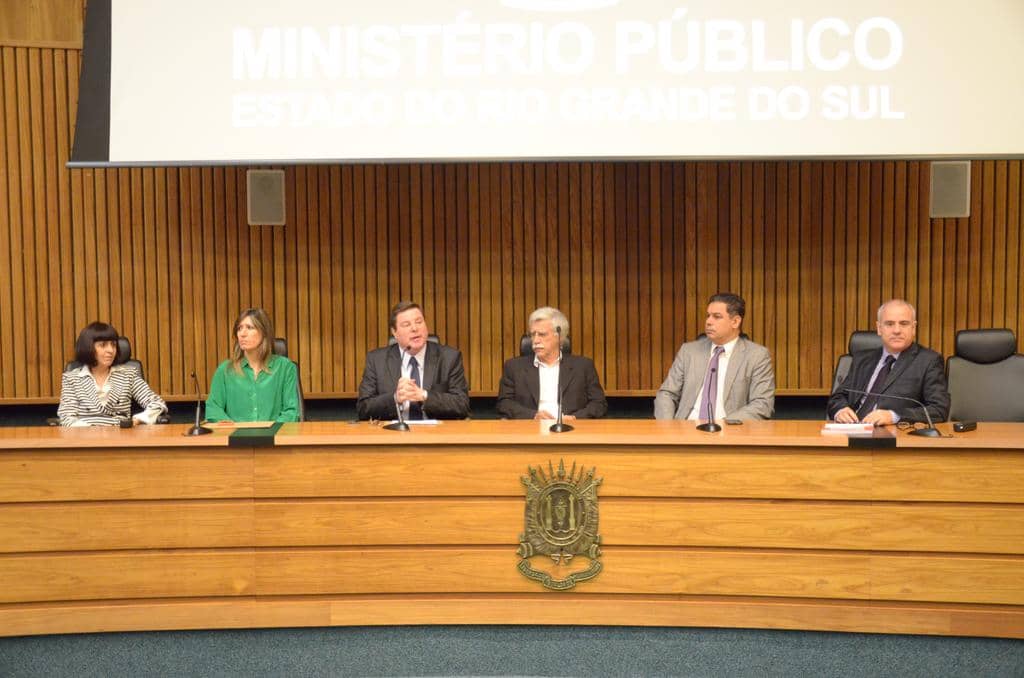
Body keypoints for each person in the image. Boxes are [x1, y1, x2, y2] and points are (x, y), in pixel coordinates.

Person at [654, 292, 775, 421]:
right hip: (685, 427)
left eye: (717, 317)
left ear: (735, 322)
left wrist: (723, 425)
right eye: (708, 316)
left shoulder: (756, 356)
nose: (708, 322)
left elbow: (762, 404)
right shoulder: (688, 351)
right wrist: (668, 426)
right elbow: (667, 393)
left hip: (730, 428)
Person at [828, 299, 950, 425]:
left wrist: (894, 416)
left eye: (904, 324)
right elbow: (838, 397)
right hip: (851, 429)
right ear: (879, 328)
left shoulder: (928, 361)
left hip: (891, 432)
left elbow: (939, 409)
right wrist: (840, 410)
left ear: (913, 328)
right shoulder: (862, 359)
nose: (897, 330)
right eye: (889, 324)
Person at [357, 301, 470, 420]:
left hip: (435, 430)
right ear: (394, 332)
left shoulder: (449, 358)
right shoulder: (376, 360)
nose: (415, 328)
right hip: (393, 430)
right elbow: (363, 409)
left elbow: (462, 405)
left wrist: (424, 396)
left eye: (419, 322)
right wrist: (395, 398)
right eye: (406, 325)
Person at [496, 307, 607, 420]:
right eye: (533, 334)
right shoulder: (514, 367)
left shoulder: (583, 367)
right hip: (530, 427)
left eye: (542, 334)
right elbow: (504, 403)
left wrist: (575, 418)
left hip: (571, 427)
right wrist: (533, 415)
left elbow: (599, 404)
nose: (535, 340)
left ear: (559, 336)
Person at [57, 322, 167, 427]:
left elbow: (157, 403)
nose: (110, 350)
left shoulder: (128, 375)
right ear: (88, 348)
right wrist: (94, 432)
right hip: (84, 435)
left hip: (121, 434)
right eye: (103, 345)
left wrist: (138, 419)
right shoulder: (71, 378)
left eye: (113, 345)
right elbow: (66, 417)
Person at [206, 308, 299, 423]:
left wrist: (271, 431)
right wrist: (229, 426)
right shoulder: (225, 370)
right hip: (235, 433)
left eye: (249, 327)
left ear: (264, 332)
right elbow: (213, 409)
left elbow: (291, 412)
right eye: (239, 328)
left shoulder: (285, 367)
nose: (242, 334)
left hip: (275, 433)